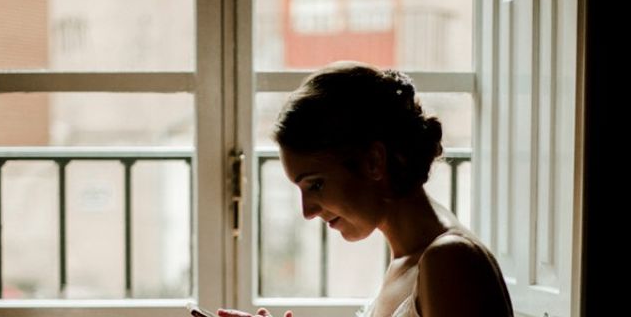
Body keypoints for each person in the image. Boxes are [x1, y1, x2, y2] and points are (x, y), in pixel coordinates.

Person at [219, 61, 513, 317]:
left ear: (374, 161)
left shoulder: (450, 261)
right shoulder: (406, 259)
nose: (307, 212)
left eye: (316, 185)